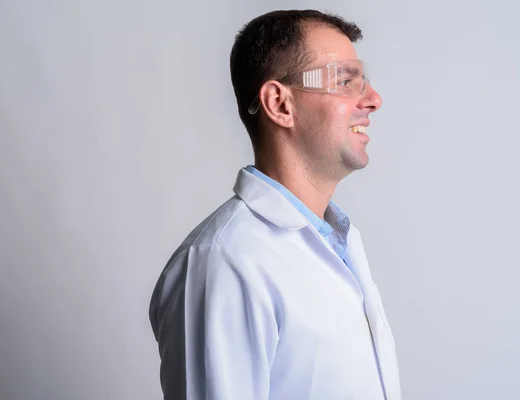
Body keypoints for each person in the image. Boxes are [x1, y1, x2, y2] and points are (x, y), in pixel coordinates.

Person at [149, 9, 401, 400]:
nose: (374, 99)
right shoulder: (223, 261)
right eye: (346, 81)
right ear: (280, 104)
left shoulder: (342, 242)